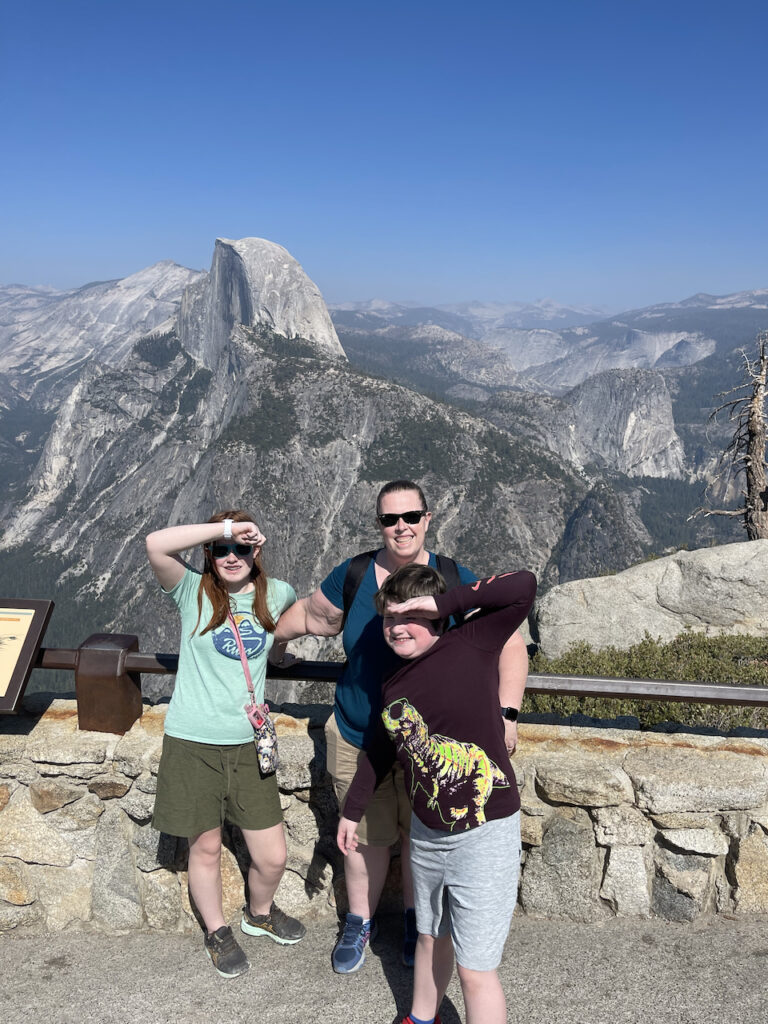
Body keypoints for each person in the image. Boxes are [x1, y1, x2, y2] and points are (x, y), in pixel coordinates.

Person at [274, 479, 529, 974]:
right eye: (390, 519)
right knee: (365, 836)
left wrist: (506, 714)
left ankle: (419, 924)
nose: (402, 527)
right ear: (379, 525)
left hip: (429, 743)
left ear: (428, 518)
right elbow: (312, 615)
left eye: (411, 516)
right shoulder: (354, 575)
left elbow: (510, 641)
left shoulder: (452, 578)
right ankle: (359, 920)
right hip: (357, 734)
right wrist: (275, 650)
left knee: (421, 833)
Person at [337, 564, 537, 1024]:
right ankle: (420, 1018)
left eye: (409, 616)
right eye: (388, 618)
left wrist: (443, 603)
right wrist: (352, 811)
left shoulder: (473, 642)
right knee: (430, 937)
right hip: (428, 835)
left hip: (484, 832)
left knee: (475, 969)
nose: (397, 627)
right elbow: (380, 751)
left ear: (435, 616)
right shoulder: (394, 687)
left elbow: (522, 586)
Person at [146, 510, 306, 979]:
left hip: (247, 744)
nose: (231, 556)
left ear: (258, 551)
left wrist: (279, 657)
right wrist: (226, 529)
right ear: (209, 553)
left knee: (272, 854)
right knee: (207, 848)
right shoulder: (191, 591)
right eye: (221, 549)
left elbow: (279, 634)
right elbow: (156, 543)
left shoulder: (277, 594)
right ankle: (217, 931)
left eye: (241, 548)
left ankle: (259, 913)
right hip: (193, 740)